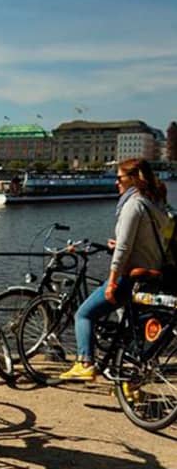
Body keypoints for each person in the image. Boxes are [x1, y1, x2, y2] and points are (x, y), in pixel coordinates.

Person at [60, 158, 169, 381]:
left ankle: (85, 362)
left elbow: (125, 249)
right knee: (131, 331)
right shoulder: (154, 204)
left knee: (84, 314)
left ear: (133, 179)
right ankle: (128, 384)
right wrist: (118, 244)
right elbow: (149, 242)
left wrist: (112, 280)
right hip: (152, 275)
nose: (115, 183)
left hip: (131, 276)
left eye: (119, 178)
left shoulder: (133, 204)